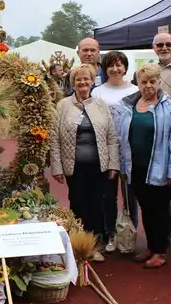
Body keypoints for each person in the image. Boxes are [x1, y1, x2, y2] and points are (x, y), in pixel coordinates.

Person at [50, 64, 120, 262]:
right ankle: (77, 245)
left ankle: (94, 246)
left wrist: (113, 164)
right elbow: (54, 138)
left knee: (97, 205)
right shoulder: (63, 105)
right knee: (78, 204)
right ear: (73, 82)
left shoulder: (100, 105)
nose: (82, 82)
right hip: (75, 167)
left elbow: (111, 137)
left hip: (99, 166)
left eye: (86, 79)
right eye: (78, 79)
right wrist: (57, 167)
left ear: (92, 81)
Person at [119, 63, 171, 268]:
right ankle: (150, 246)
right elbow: (122, 138)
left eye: (152, 81)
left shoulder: (169, 107)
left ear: (159, 82)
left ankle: (160, 251)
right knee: (145, 208)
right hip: (136, 168)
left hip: (160, 169)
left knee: (160, 209)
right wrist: (122, 166)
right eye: (143, 81)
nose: (148, 85)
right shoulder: (128, 106)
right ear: (137, 83)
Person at [92, 51, 140, 249]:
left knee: (131, 195)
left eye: (120, 65)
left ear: (126, 68)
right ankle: (110, 233)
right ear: (105, 69)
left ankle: (129, 234)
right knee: (108, 195)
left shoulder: (136, 90)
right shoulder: (97, 92)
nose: (115, 69)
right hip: (106, 150)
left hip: (130, 149)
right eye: (111, 65)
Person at [132, 32, 171, 99]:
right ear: (153, 47)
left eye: (168, 44)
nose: (164, 48)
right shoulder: (147, 71)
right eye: (160, 45)